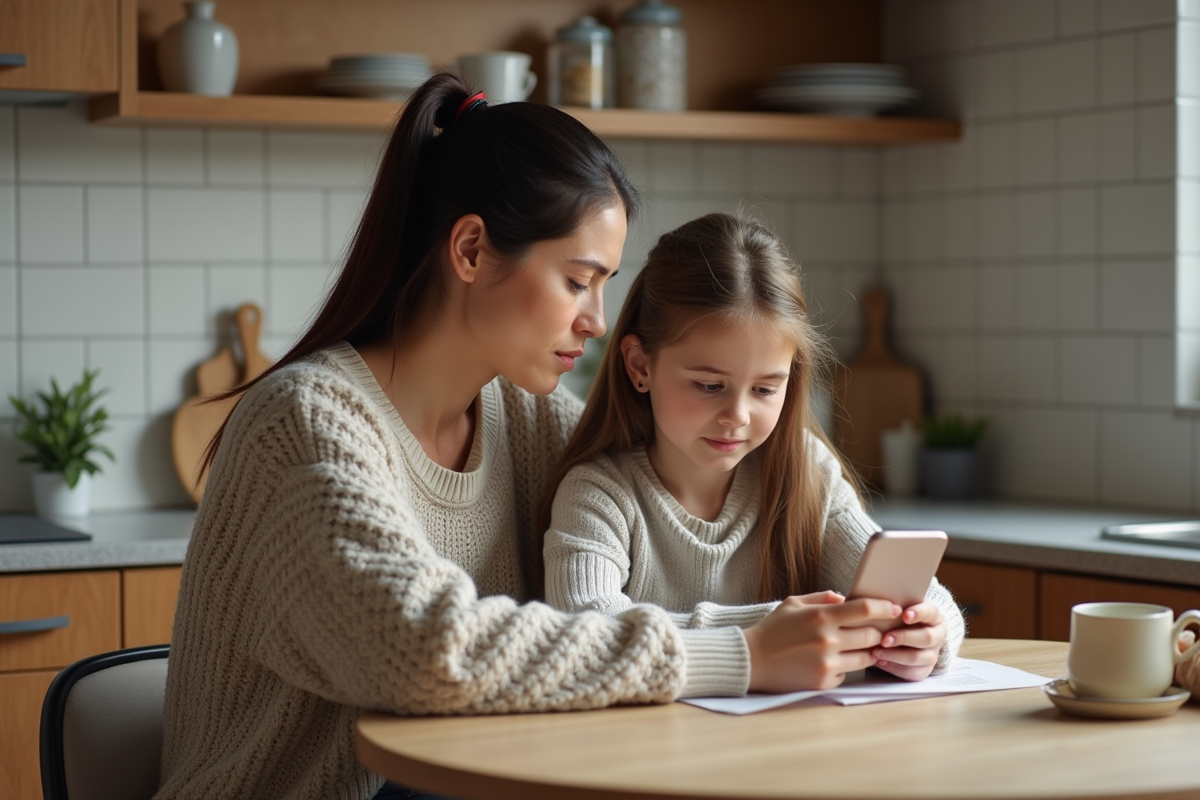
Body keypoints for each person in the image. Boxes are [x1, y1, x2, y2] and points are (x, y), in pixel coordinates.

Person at [153, 75, 913, 800]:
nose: (596, 318)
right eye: (579, 280)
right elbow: (429, 654)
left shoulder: (528, 421)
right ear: (473, 251)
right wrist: (744, 653)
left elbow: (635, 582)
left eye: (605, 285)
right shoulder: (307, 424)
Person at [542, 213, 965, 685]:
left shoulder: (807, 471)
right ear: (640, 366)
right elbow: (581, 631)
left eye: (765, 389)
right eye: (708, 385)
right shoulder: (598, 494)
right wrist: (768, 634)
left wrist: (929, 632)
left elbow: (915, 595)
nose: (737, 415)